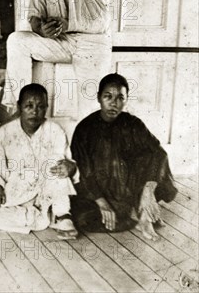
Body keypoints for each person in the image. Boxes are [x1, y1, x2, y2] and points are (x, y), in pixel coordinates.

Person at [70, 73, 178, 241]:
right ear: (99, 98)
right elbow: (84, 171)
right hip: (100, 191)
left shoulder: (133, 123)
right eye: (108, 97)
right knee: (83, 219)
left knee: (154, 157)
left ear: (126, 99)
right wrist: (101, 202)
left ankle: (142, 212)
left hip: (130, 187)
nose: (114, 103)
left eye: (121, 98)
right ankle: (137, 217)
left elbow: (158, 152)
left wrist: (148, 190)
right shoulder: (84, 129)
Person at [0, 84, 78, 239]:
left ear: (46, 108)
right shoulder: (5, 133)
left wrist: (70, 167)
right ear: (19, 107)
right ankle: (37, 217)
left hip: (47, 190)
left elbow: (66, 163)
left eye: (41, 107)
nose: (35, 112)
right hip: (17, 191)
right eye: (29, 106)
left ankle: (63, 215)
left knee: (57, 169)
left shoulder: (55, 130)